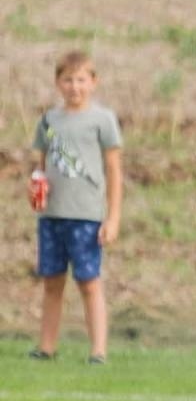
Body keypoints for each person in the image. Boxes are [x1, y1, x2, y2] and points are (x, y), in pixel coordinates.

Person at [29, 50, 122, 365]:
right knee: (52, 282)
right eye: (67, 80)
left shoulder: (102, 120)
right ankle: (46, 347)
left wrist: (112, 218)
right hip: (52, 215)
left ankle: (98, 350)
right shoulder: (49, 121)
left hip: (86, 216)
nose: (74, 87)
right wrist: (36, 186)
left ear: (93, 82)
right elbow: (41, 165)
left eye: (81, 80)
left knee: (88, 282)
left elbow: (114, 170)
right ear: (57, 83)